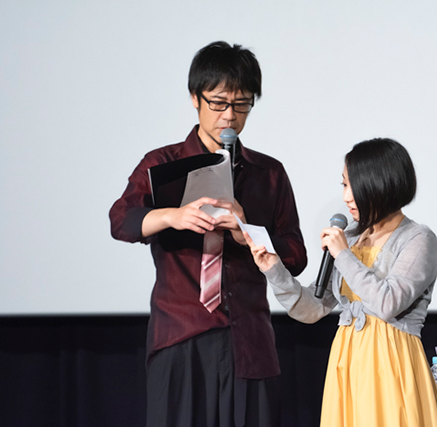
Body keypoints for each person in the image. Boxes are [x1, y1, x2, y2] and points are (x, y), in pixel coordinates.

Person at [109, 41, 307, 427]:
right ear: (195, 98)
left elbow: (296, 256)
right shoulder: (163, 163)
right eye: (218, 103)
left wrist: (248, 233)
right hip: (180, 336)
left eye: (241, 104)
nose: (229, 116)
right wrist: (172, 216)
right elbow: (121, 221)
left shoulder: (268, 173)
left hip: (250, 341)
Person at [244, 138, 437, 427]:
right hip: (348, 362)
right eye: (343, 185)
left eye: (353, 186)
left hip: (392, 364)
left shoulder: (418, 239)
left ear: (380, 184)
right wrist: (275, 270)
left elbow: (388, 303)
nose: (346, 197)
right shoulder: (350, 237)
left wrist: (342, 254)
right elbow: (312, 309)